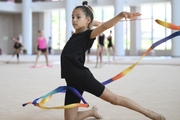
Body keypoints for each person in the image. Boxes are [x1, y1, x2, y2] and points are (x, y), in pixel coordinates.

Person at [61, 1, 166, 120]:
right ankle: (92, 112)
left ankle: (149, 113)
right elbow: (90, 24)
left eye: (78, 17)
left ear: (87, 20)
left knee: (114, 99)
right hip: (71, 81)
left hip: (81, 77)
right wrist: (92, 22)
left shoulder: (88, 35)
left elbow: (104, 26)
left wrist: (121, 14)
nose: (74, 20)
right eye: (72, 17)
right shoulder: (76, 34)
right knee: (70, 119)